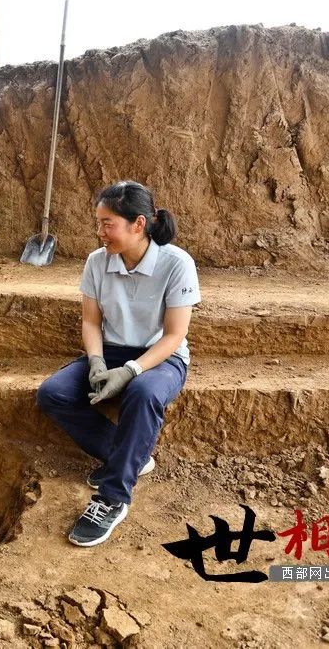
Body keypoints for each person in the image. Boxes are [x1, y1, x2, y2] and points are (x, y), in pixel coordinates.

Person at [36, 181, 201, 547]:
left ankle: (112, 497)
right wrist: (96, 361)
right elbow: (91, 322)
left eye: (107, 223)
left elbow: (174, 336)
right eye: (98, 222)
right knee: (53, 394)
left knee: (142, 393)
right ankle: (129, 456)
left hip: (161, 357)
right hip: (109, 350)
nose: (99, 233)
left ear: (138, 224)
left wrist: (130, 371)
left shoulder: (177, 264)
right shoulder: (98, 262)